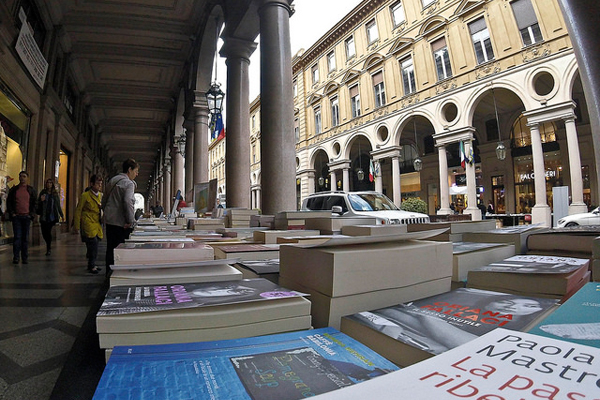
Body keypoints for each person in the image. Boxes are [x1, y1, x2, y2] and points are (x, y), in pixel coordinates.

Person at [102, 158, 139, 276]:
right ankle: (118, 275)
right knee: (120, 250)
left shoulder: (112, 181)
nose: (137, 174)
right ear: (129, 170)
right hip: (121, 224)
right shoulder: (128, 183)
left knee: (110, 248)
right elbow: (128, 202)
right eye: (136, 171)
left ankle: (108, 273)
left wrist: (107, 213)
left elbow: (104, 200)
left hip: (110, 220)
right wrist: (130, 221)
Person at [74, 175, 103, 274]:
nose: (99, 186)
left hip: (97, 222)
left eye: (100, 184)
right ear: (91, 184)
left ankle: (92, 263)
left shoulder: (101, 196)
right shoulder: (85, 195)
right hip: (88, 222)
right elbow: (78, 211)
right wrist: (77, 226)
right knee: (93, 243)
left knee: (96, 243)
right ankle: (91, 265)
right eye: (97, 184)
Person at [6, 171, 37, 264]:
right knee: (17, 237)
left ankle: (24, 257)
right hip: (17, 217)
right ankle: (16, 257)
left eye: (24, 176)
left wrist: (31, 214)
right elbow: (9, 202)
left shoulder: (30, 190)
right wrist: (12, 213)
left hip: (26, 217)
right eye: (20, 176)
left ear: (27, 178)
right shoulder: (14, 190)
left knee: (25, 238)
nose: (22, 178)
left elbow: (35, 203)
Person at [37, 179, 64, 255]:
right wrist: (41, 201)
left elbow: (58, 205)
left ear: (52, 184)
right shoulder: (43, 192)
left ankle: (48, 247)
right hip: (44, 216)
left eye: (50, 183)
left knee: (48, 232)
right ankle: (48, 243)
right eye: (48, 183)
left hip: (51, 216)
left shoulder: (54, 194)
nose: (49, 184)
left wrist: (61, 215)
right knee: (44, 232)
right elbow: (38, 202)